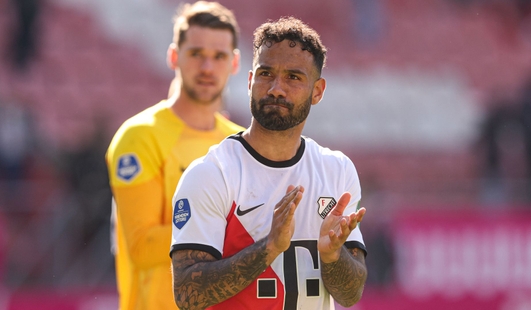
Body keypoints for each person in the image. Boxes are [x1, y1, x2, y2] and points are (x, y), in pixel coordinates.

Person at [170, 17, 368, 310]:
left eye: (293, 77)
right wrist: (269, 247)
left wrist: (332, 256)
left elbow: (350, 295)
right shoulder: (212, 174)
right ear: (250, 81)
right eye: (265, 74)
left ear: (318, 91)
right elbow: (187, 294)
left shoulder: (337, 171)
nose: (276, 88)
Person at [105, 2, 244, 309]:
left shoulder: (239, 143)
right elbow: (142, 246)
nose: (207, 68)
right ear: (173, 56)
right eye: (196, 54)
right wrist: (236, 230)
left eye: (218, 56)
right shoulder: (140, 136)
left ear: (234, 63)